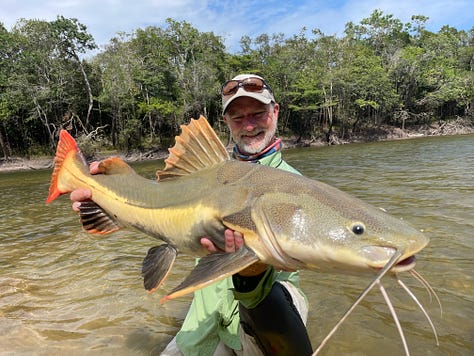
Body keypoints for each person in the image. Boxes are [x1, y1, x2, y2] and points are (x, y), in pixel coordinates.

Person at [70, 74, 312, 355]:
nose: (248, 125)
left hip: (263, 324)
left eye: (258, 114)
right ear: (226, 123)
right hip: (203, 325)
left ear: (275, 111)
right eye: (237, 118)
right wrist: (105, 203)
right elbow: (155, 204)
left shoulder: (301, 190)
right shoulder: (201, 171)